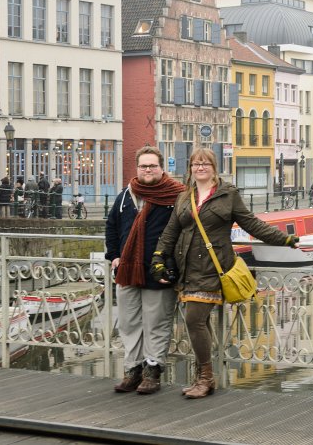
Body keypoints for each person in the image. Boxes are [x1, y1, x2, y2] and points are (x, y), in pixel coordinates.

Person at [153, 148, 299, 399]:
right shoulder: (184, 196)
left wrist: (284, 239)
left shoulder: (227, 193)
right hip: (187, 268)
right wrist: (158, 257)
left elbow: (250, 223)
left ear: (214, 167)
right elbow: (170, 230)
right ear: (190, 168)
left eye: (205, 163)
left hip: (214, 267)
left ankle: (206, 377)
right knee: (200, 322)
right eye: (196, 164)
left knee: (193, 320)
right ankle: (203, 377)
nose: (200, 168)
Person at [105, 146, 186, 395]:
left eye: (152, 166)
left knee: (156, 323)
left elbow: (185, 232)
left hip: (158, 270)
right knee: (129, 323)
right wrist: (115, 256)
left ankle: (153, 370)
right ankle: (133, 369)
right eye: (143, 166)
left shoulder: (176, 196)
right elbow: (112, 227)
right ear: (137, 168)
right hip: (128, 270)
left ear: (162, 168)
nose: (147, 170)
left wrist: (173, 263)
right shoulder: (125, 196)